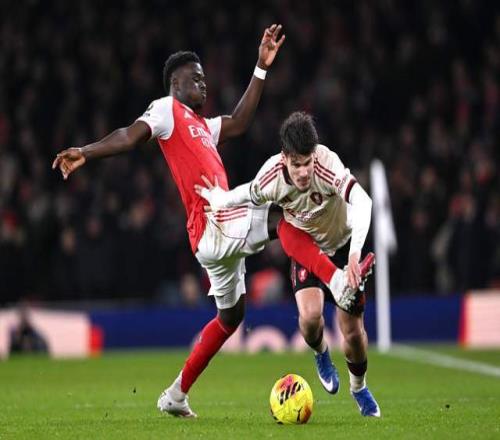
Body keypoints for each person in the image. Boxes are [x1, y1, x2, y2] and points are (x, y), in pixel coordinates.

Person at [52, 26, 364, 418]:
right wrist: (86, 151)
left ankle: (176, 394)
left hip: (212, 238)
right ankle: (335, 280)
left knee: (232, 317)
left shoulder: (203, 127)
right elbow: (129, 136)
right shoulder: (166, 111)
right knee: (282, 216)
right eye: (195, 79)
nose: (203, 84)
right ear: (175, 84)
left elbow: (240, 121)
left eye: (203, 79)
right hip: (213, 221)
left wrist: (261, 68)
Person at [196, 111, 380, 417]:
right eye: (297, 165)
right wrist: (219, 199)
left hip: (343, 246)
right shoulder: (272, 177)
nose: (304, 172)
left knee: (352, 335)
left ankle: (358, 387)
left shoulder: (327, 164)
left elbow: (364, 202)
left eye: (308, 163)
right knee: (310, 318)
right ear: (285, 158)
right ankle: (321, 353)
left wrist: (353, 255)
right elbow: (248, 193)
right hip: (308, 249)